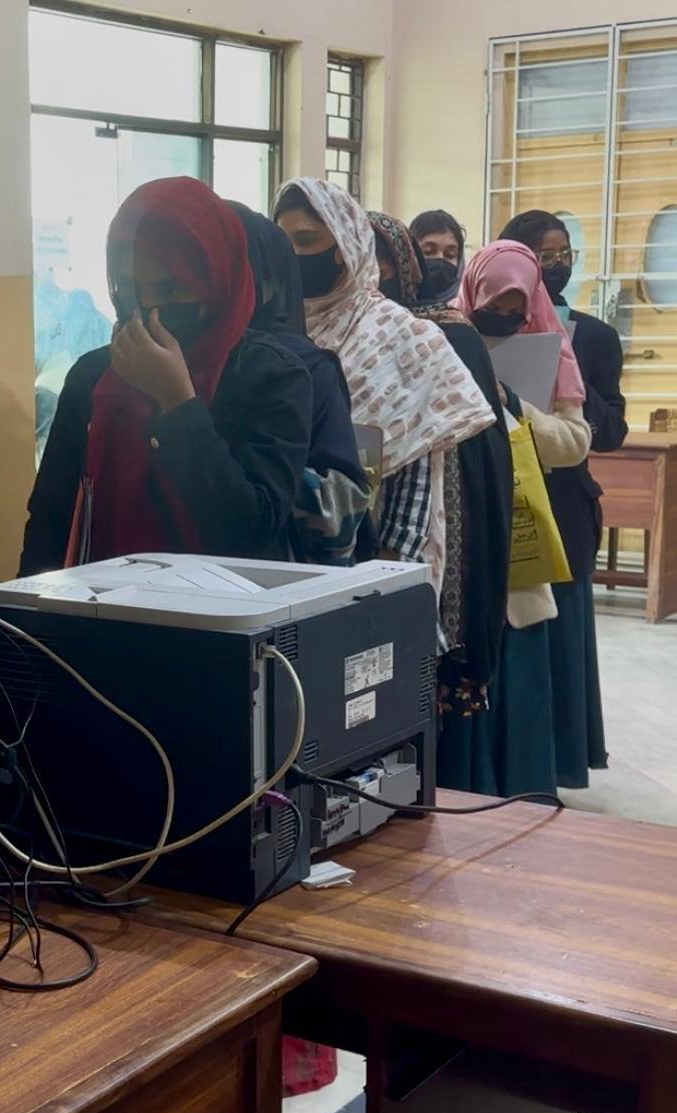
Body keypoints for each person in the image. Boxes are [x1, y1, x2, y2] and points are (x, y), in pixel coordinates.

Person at [20, 177, 312, 575]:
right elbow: (50, 520)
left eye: (171, 289)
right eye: (130, 288)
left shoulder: (272, 376)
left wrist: (177, 403)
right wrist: (22, 608)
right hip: (102, 605)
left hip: (225, 607)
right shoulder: (93, 376)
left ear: (215, 281)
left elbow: (248, 530)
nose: (148, 307)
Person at [272, 178, 495, 601]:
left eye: (307, 241)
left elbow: (415, 473)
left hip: (374, 558)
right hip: (288, 555)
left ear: (345, 244)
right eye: (284, 243)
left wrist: (387, 571)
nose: (294, 255)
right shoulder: (276, 329)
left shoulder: (404, 335)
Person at [369, 212, 514, 791]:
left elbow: (483, 464)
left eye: (385, 260)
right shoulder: (331, 334)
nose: (373, 274)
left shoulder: (450, 336)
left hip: (442, 545)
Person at [454, 242, 592, 796]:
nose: (506, 319)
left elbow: (575, 443)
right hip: (464, 541)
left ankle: (526, 799)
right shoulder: (446, 340)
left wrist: (515, 407)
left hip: (520, 542)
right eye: (494, 307)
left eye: (517, 309)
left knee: (520, 690)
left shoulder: (553, 351)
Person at [498, 211, 625, 789]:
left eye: (564, 253)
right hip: (505, 501)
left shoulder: (594, 336)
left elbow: (613, 430)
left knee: (561, 643)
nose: (557, 265)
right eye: (543, 256)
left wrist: (567, 370)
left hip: (564, 508)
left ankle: (561, 764)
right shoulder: (477, 327)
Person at [228, 201, 370, 565]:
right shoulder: (140, 361)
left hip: (277, 578)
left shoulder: (302, 367)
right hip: (275, 586)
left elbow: (340, 509)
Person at [410, 208, 468, 300]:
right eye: (428, 252)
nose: (440, 259)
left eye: (450, 255)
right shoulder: (389, 306)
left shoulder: (472, 306)